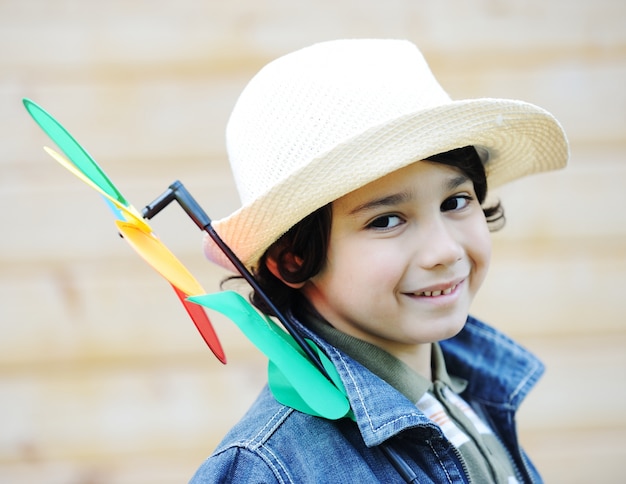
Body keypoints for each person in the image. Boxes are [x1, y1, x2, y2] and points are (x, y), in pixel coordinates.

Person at [191, 39, 568, 483]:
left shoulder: (466, 397)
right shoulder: (270, 468)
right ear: (292, 258)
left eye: (455, 201)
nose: (444, 250)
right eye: (387, 220)